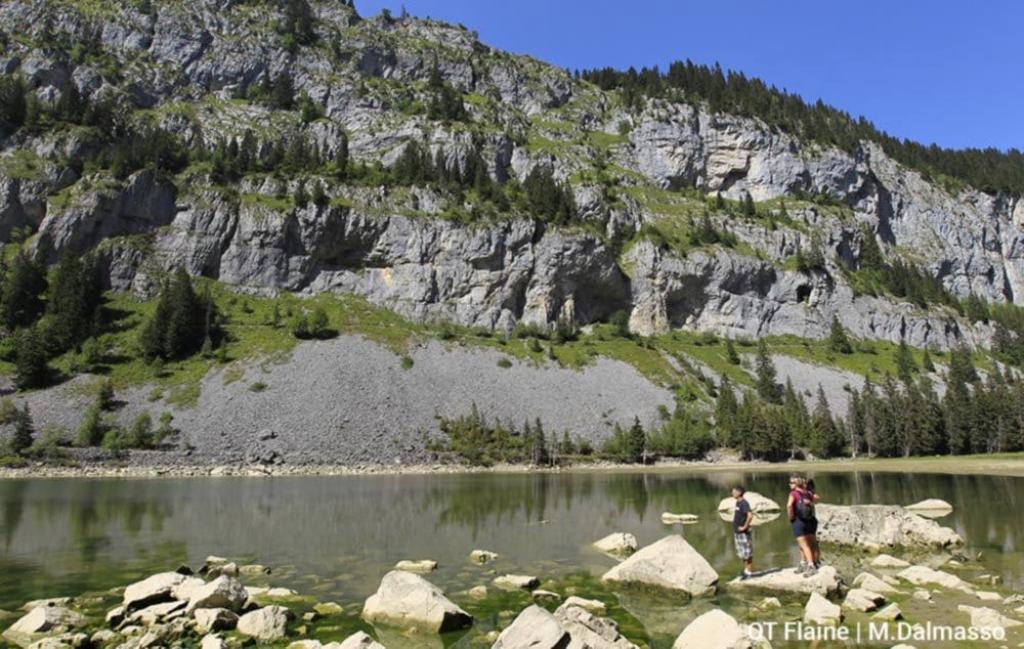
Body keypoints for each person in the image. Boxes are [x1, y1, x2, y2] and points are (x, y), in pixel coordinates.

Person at [787, 476, 819, 577]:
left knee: (804, 545)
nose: (790, 484)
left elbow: (789, 505)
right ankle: (807, 563)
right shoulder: (808, 493)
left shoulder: (794, 493)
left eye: (792, 483)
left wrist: (791, 517)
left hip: (799, 521)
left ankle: (810, 566)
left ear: (796, 484)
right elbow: (816, 498)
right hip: (809, 520)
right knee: (809, 544)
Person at [732, 485, 754, 580]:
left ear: (739, 493)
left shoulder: (744, 503)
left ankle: (749, 572)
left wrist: (745, 527)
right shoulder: (738, 502)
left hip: (743, 533)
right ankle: (745, 571)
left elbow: (750, 515)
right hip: (737, 532)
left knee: (747, 552)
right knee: (742, 552)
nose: (732, 493)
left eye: (734, 491)